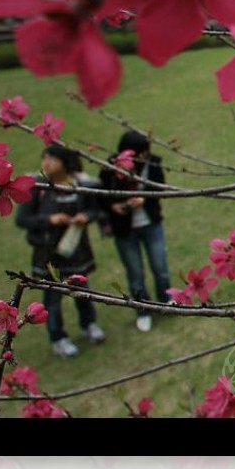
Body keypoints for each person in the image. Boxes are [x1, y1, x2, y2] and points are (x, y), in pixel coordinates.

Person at [15, 144, 105, 357]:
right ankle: (58, 337)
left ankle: (89, 324)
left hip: (75, 249)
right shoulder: (36, 188)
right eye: (44, 158)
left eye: (52, 159)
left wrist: (87, 217)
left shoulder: (79, 184)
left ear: (65, 163)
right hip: (48, 253)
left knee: (83, 291)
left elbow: (94, 209)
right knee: (52, 298)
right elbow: (22, 219)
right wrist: (49, 219)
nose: (46, 163)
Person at [100, 131, 172, 332]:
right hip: (125, 229)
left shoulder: (153, 164)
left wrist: (145, 199)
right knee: (135, 273)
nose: (144, 156)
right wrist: (113, 206)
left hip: (150, 224)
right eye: (140, 153)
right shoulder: (110, 167)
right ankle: (143, 310)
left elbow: (159, 188)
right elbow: (101, 195)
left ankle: (166, 300)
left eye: (145, 151)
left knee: (160, 267)